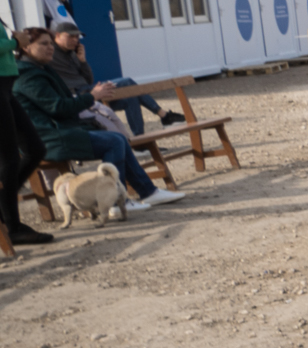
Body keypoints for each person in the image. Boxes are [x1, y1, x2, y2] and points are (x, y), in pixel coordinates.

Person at [14, 26, 184, 212]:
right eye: (43, 44)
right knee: (114, 142)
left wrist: (84, 70)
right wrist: (92, 97)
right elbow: (59, 108)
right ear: (26, 47)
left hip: (60, 131)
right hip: (49, 138)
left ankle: (148, 192)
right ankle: (114, 202)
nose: (50, 47)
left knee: (117, 138)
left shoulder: (41, 68)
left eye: (50, 43)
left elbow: (77, 90)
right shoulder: (27, 75)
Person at [48, 21, 180, 135]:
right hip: (76, 95)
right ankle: (164, 116)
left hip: (88, 90)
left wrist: (82, 61)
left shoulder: (74, 53)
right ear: (57, 35)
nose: (75, 40)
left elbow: (88, 80)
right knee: (127, 82)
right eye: (70, 36)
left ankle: (141, 144)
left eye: (77, 37)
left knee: (131, 98)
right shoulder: (50, 52)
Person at [0, 20, 51, 245]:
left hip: (6, 86)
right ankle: (12, 228)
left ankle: (4, 206)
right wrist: (14, 42)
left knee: (35, 149)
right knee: (9, 159)